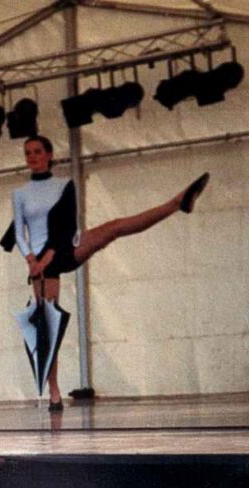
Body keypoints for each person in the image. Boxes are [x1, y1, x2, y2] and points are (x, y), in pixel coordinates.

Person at [11, 134, 209, 411]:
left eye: (36, 151)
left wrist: (49, 255)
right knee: (47, 322)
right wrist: (32, 259)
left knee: (114, 227)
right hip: (40, 262)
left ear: (48, 154)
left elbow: (68, 224)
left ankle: (177, 203)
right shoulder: (19, 194)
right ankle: (53, 392)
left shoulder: (64, 185)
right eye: (27, 153)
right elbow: (20, 231)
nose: (31, 156)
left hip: (65, 246)